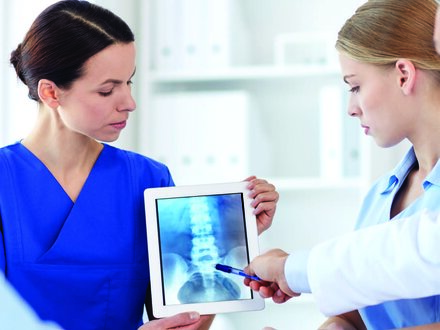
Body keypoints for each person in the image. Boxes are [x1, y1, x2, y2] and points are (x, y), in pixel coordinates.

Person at [0, 1, 279, 329]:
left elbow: (182, 322)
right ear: (50, 92)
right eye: (107, 90)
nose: (129, 103)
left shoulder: (147, 178)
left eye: (128, 82)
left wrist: (229, 234)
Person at [245, 0, 440, 329]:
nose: (351, 108)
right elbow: (361, 310)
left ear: (404, 75)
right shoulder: (380, 195)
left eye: (356, 86)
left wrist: (293, 269)